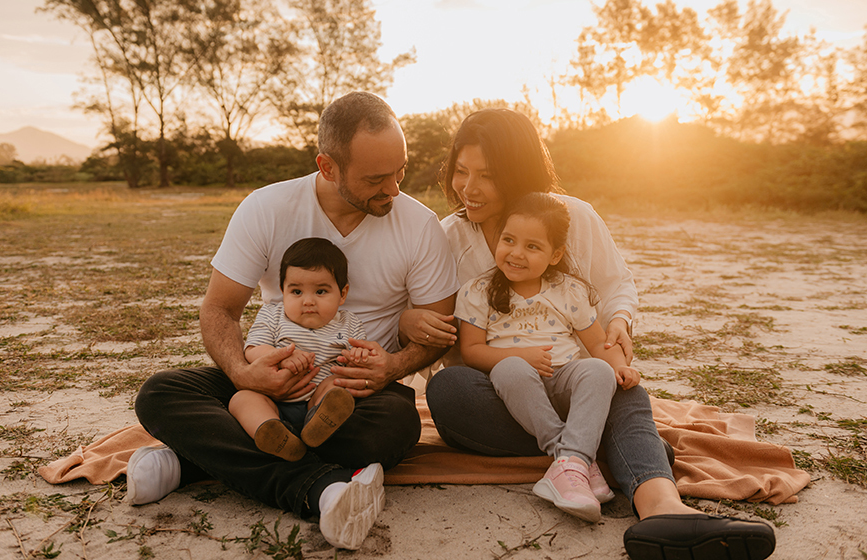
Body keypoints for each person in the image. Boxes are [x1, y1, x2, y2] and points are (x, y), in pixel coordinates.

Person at [405, 109, 776, 560]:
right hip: (495, 393)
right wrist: (411, 322)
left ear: (519, 172)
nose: (469, 188)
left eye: (488, 175)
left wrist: (618, 323)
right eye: (461, 171)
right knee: (448, 390)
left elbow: (616, 286)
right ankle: (600, 448)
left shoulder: (571, 217)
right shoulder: (448, 236)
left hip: (574, 381)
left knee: (617, 384)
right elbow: (424, 318)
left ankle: (662, 509)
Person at [127, 92, 459, 550]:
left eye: (400, 171)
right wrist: (245, 371)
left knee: (397, 425)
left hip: (353, 396)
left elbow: (439, 331)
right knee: (162, 393)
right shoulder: (267, 208)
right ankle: (325, 488)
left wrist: (394, 367)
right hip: (269, 383)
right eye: (376, 178)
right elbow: (219, 308)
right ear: (327, 167)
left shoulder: (420, 226)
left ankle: (192, 463)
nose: (394, 189)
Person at [457, 192, 640, 523]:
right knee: (511, 367)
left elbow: (599, 345)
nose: (516, 253)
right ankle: (574, 461)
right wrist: (521, 355)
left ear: (555, 255)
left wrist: (621, 367)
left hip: (564, 380)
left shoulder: (568, 290)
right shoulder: (478, 291)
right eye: (509, 240)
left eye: (532, 246)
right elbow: (470, 351)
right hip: (516, 387)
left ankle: (569, 465)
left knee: (597, 371)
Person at [228, 237, 373, 462]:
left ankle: (319, 423)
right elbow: (253, 348)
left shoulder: (349, 323)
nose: (308, 301)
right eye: (296, 292)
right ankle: (271, 432)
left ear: (342, 294)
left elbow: (359, 361)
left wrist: (359, 357)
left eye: (321, 292)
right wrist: (282, 357)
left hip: (318, 399)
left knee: (337, 386)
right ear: (282, 291)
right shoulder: (272, 315)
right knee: (242, 398)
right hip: (272, 400)